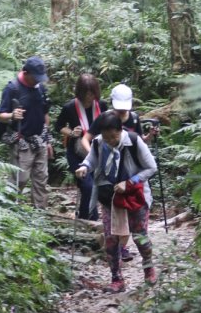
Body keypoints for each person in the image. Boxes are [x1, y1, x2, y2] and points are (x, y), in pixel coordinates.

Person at [76, 110, 158, 293]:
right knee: (111, 240)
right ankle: (116, 279)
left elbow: (151, 167)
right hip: (110, 197)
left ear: (120, 131)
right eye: (106, 137)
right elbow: (91, 160)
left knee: (140, 237)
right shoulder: (98, 142)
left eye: (113, 137)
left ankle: (148, 268)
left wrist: (130, 182)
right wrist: (84, 167)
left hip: (135, 196)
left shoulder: (134, 141)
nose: (109, 141)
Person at [87, 83, 160, 261]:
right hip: (109, 186)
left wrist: (149, 138)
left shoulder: (134, 119)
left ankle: (141, 260)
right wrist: (89, 163)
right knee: (112, 233)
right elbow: (92, 140)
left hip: (132, 185)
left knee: (138, 231)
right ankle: (117, 265)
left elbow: (139, 145)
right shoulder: (104, 122)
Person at [0, 56, 53, 209]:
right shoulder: (12, 89)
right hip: (21, 140)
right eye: (35, 77)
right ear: (25, 73)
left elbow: (45, 113)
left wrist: (47, 139)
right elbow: (0, 115)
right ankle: (8, 210)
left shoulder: (40, 88)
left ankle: (39, 215)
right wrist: (12, 115)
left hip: (39, 139)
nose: (37, 80)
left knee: (41, 179)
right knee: (19, 179)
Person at [54, 73, 108, 221]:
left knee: (96, 185)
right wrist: (71, 132)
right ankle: (87, 218)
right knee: (87, 186)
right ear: (80, 92)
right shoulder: (70, 107)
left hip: (98, 151)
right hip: (77, 152)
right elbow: (58, 126)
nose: (89, 96)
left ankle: (90, 217)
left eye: (92, 93)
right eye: (86, 93)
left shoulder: (102, 105)